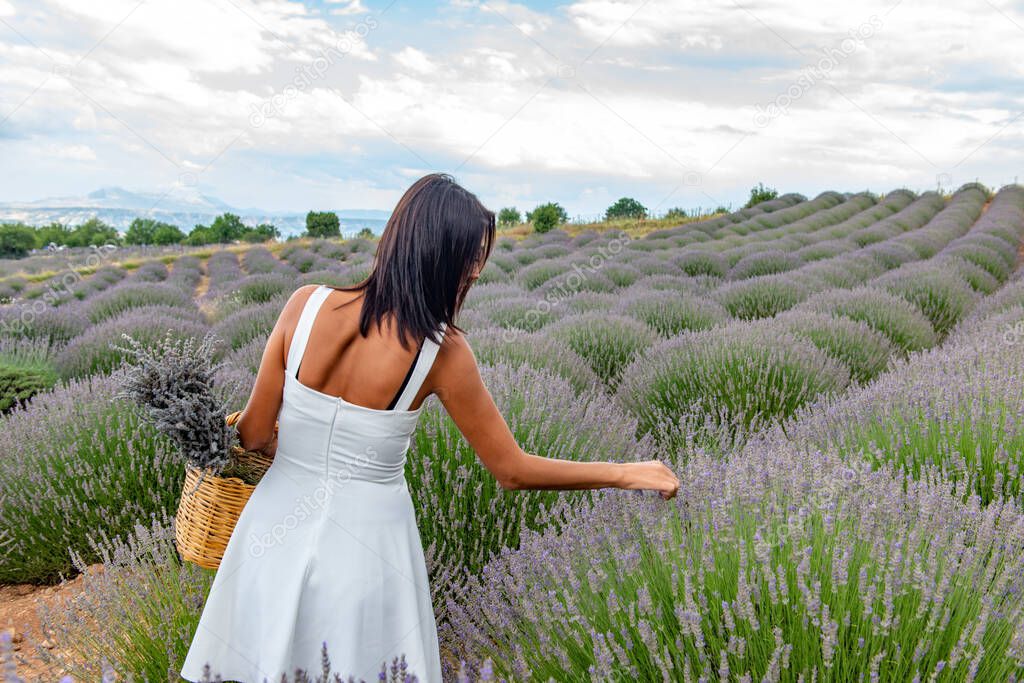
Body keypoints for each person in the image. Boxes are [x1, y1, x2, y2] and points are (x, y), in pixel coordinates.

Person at [179, 173, 680, 683]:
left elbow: (255, 435)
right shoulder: (442, 353)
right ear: (439, 258)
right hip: (368, 551)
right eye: (471, 255)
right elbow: (512, 470)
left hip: (271, 533)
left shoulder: (303, 306)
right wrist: (624, 472)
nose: (478, 271)